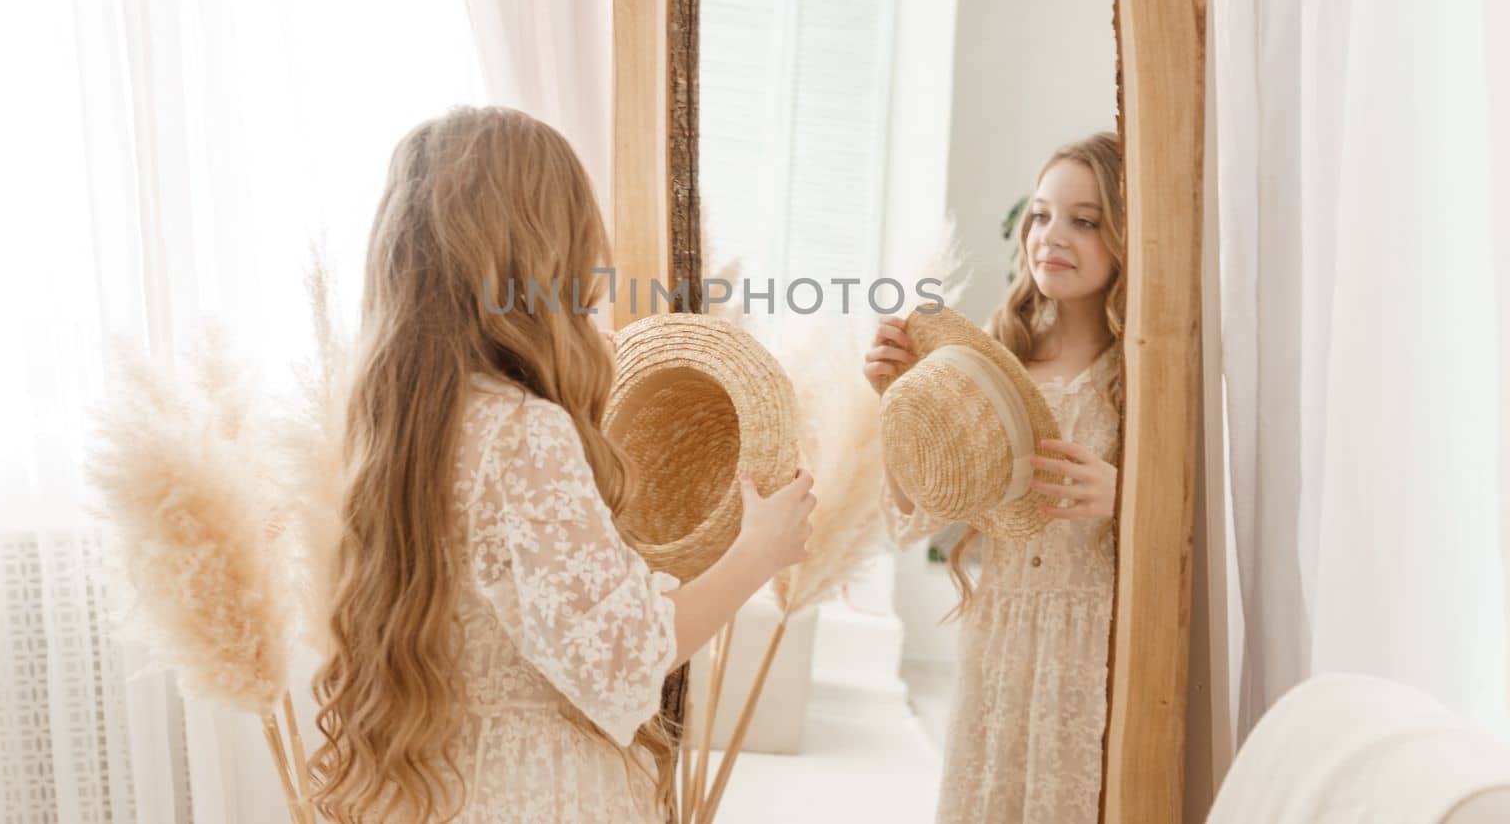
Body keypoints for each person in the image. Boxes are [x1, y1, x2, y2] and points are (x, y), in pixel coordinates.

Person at [310, 106, 815, 823]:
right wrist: (758, 552)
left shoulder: (399, 427)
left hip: (434, 786)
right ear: (541, 248)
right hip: (534, 794)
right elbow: (623, 661)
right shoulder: (522, 432)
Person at [864, 131, 1126, 824]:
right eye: (1040, 214)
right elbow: (918, 510)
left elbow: (1196, 527)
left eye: (1085, 220)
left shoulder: (1142, 377)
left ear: (1126, 236)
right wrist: (896, 403)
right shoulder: (998, 360)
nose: (1052, 235)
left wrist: (1128, 498)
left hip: (1096, 639)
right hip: (1001, 629)